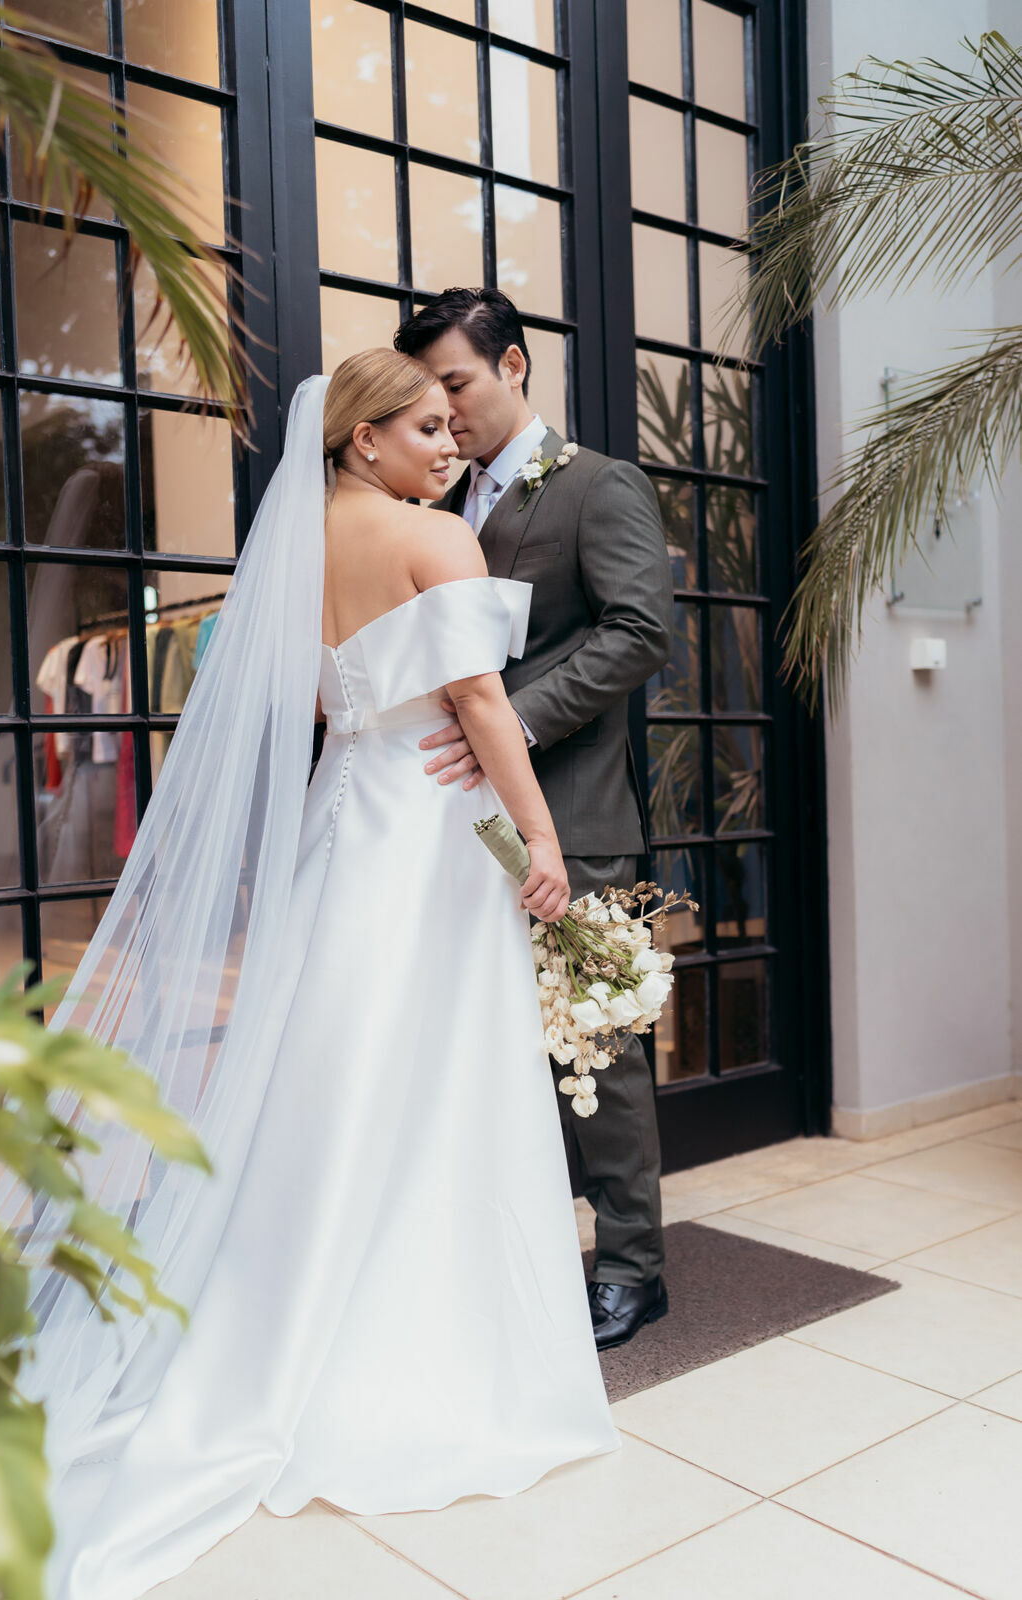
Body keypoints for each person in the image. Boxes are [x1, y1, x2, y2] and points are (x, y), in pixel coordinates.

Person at [0, 353, 619, 1600]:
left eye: (451, 426)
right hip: (425, 842)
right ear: (362, 439)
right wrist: (539, 835)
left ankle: (282, 1300)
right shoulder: (437, 541)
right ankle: (419, 1338)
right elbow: (477, 698)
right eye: (426, 428)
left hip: (344, 822)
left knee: (327, 1071)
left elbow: (330, 710)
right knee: (436, 1077)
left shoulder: (293, 551)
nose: (449, 447)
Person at [395, 289, 675, 1353]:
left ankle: (635, 1270)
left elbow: (640, 631)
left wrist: (508, 720)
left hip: (576, 808)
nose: (446, 411)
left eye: (457, 384)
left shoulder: (599, 485)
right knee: (493, 1045)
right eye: (427, 396)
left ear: (513, 366)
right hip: (459, 824)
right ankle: (509, 1248)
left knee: (598, 1048)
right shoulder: (438, 506)